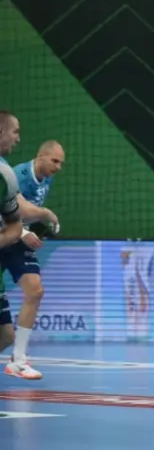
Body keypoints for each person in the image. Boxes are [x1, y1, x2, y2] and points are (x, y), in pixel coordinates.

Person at [1, 141, 64, 379]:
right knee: (5, 333)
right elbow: (6, 209)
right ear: (40, 156)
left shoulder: (46, 178)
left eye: (61, 163)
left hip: (17, 241)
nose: (58, 167)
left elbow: (27, 212)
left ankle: (18, 361)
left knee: (35, 291)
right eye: (54, 161)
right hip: (6, 235)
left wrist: (38, 229)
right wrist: (24, 232)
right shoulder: (18, 175)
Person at [0, 112, 32, 364]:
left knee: (6, 335)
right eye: (15, 132)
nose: (18, 139)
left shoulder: (6, 176)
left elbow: (14, 225)